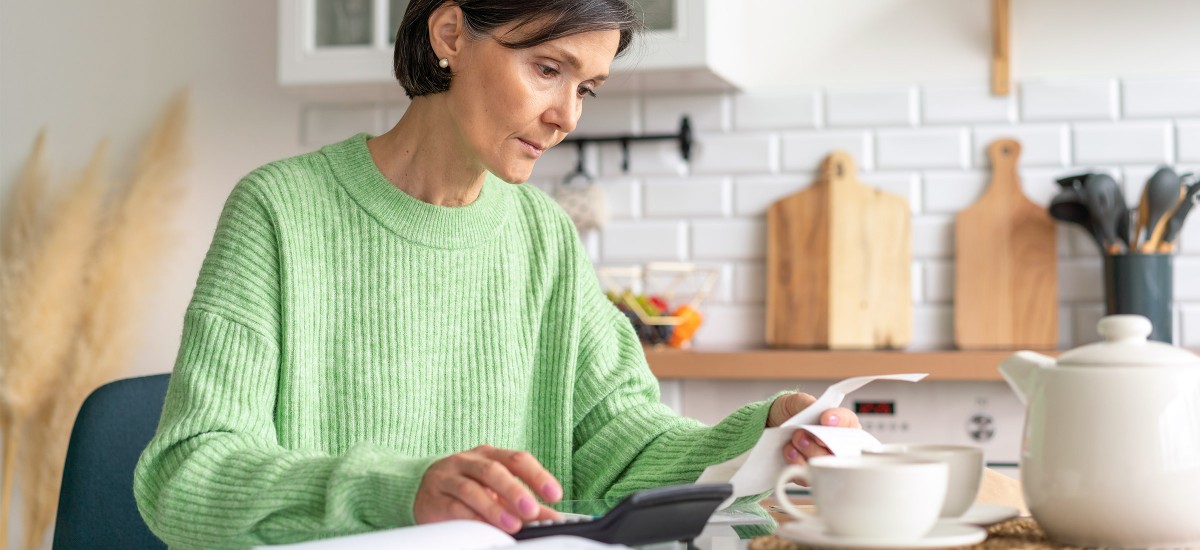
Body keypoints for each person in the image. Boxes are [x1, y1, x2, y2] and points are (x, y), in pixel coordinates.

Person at [133, 1, 860, 547]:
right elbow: (189, 475)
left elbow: (620, 443)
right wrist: (402, 493)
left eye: (588, 87)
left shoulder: (543, 234)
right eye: (548, 69)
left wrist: (762, 440)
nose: (568, 115)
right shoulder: (281, 210)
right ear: (451, 35)